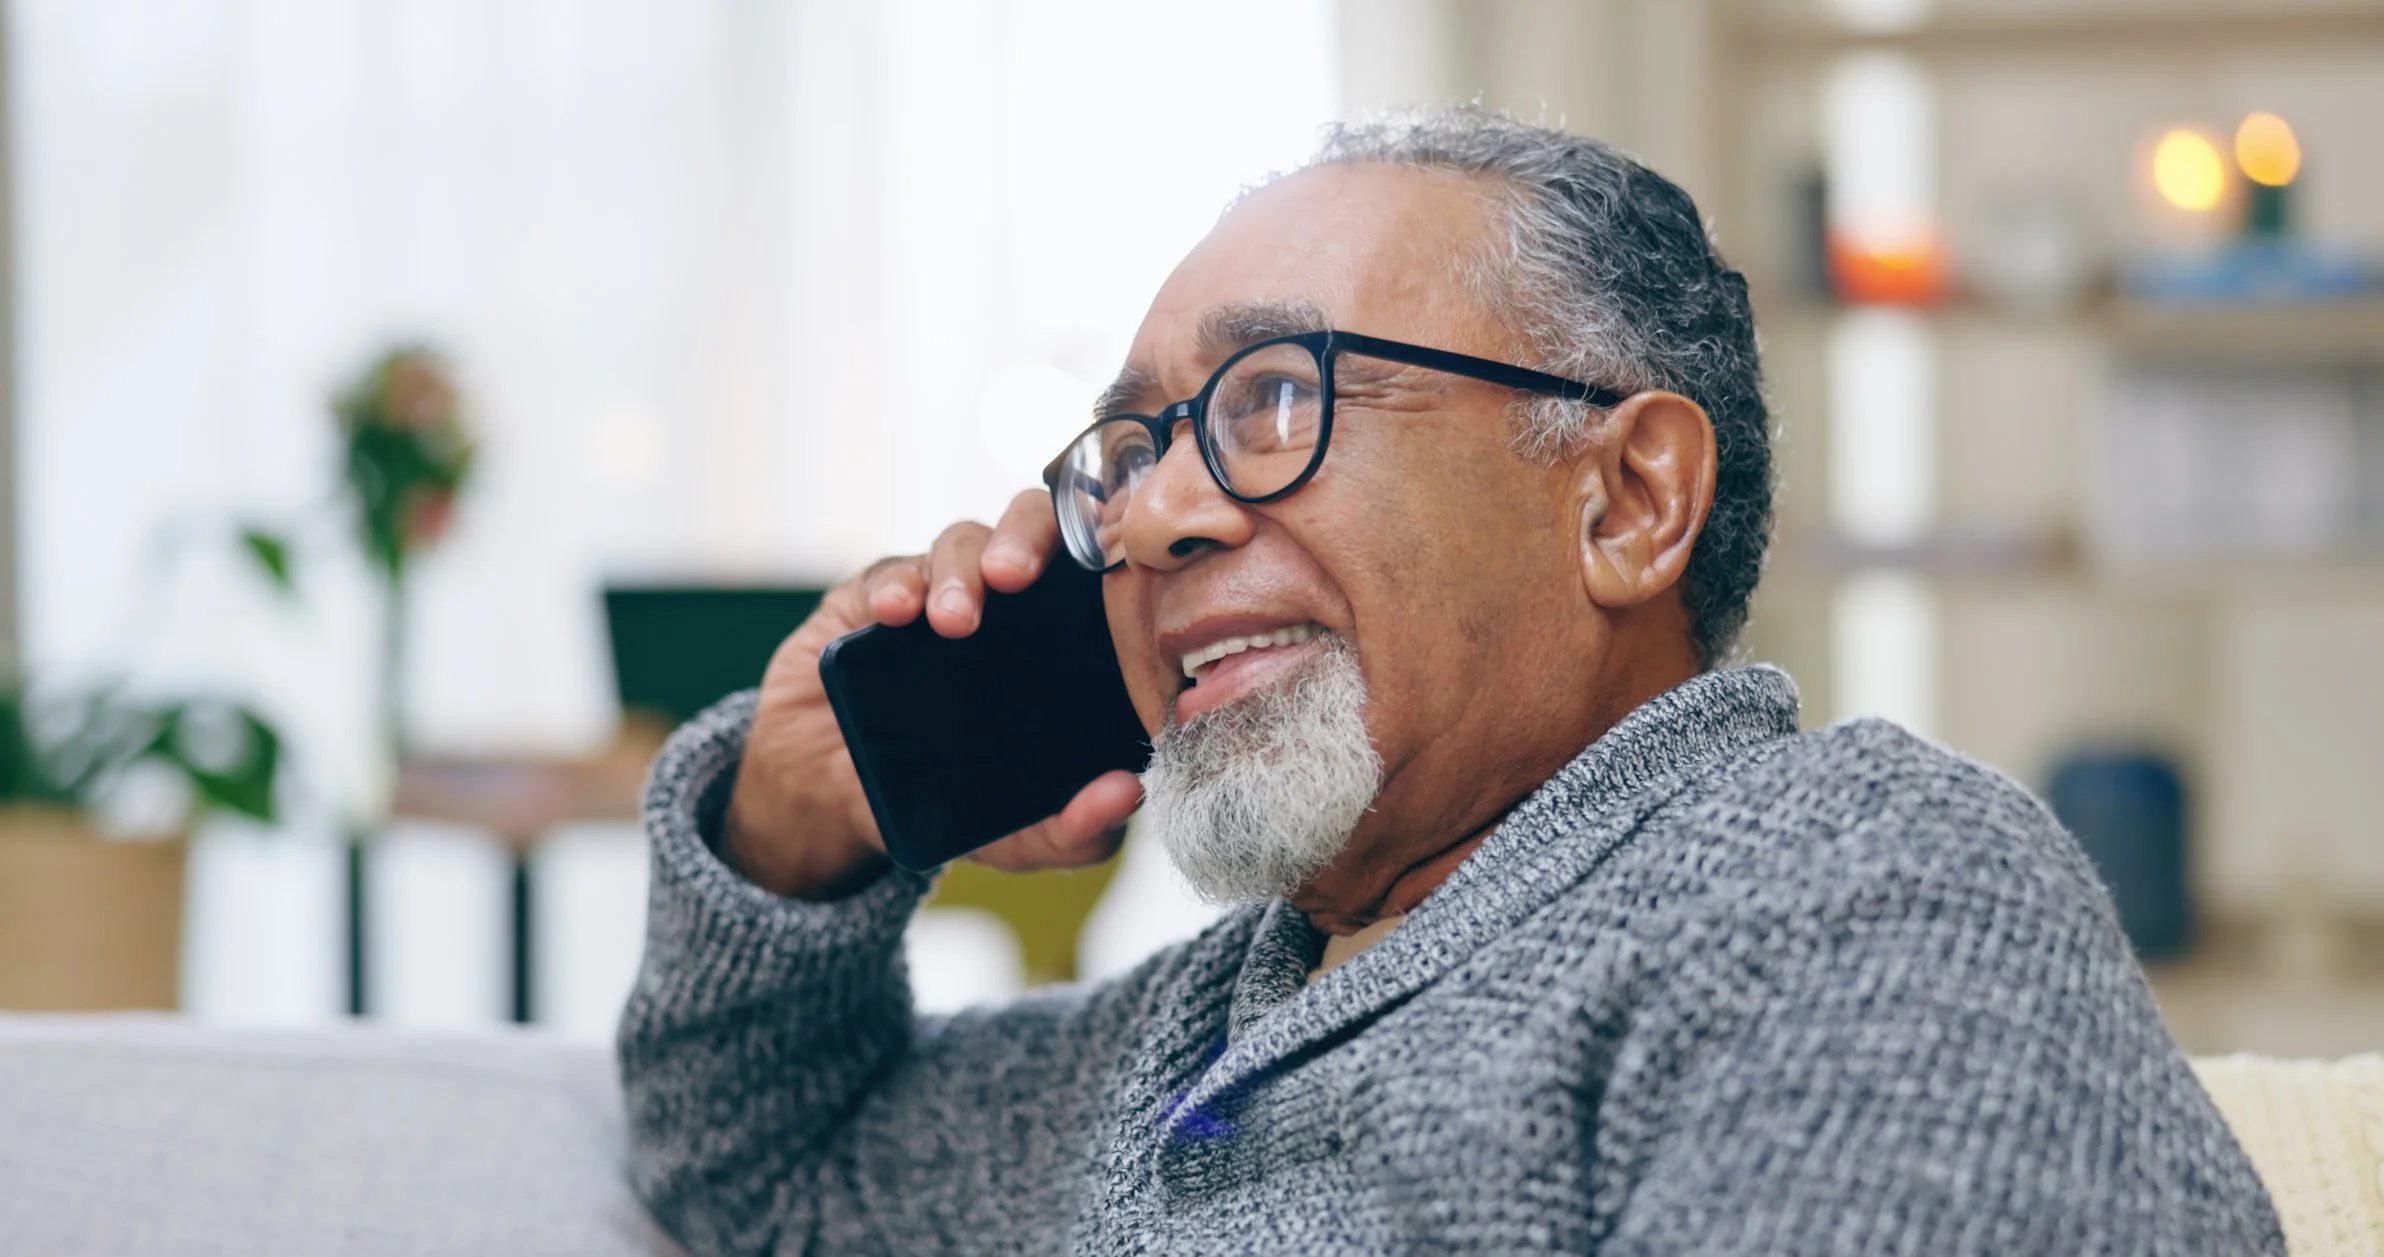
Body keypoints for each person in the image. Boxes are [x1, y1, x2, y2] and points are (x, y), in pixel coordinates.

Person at [618, 106, 2279, 1255]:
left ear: (1624, 504)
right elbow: (763, 1182)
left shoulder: (1863, 887)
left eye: (1276, 399)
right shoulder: (1196, 1031)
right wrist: (794, 827)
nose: (1156, 513)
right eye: (1130, 448)